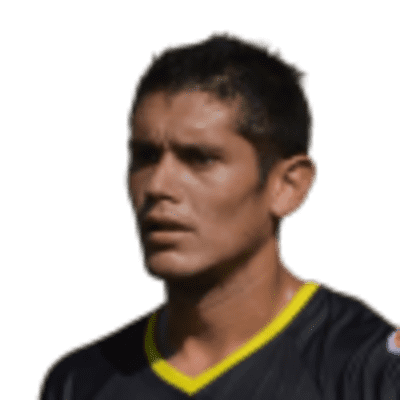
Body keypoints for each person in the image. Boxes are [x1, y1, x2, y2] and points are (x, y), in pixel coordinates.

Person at [36, 30, 399, 400]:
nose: (157, 185)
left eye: (200, 158)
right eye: (146, 157)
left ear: (287, 186)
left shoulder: (370, 372)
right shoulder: (79, 383)